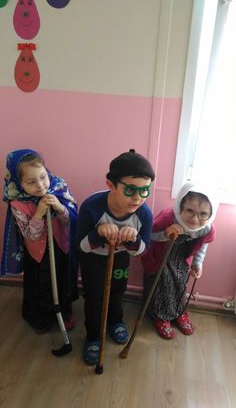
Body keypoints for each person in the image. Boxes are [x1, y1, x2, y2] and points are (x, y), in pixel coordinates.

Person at [77, 149, 155, 365]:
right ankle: (93, 335)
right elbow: (81, 246)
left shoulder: (144, 214)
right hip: (92, 259)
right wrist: (98, 233)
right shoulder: (92, 207)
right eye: (130, 190)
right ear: (111, 185)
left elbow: (142, 251)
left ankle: (115, 321)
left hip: (121, 259)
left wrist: (132, 240)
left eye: (144, 190)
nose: (138, 198)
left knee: (118, 292)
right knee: (94, 296)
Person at [1, 149, 78, 333]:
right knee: (40, 285)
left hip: (60, 248)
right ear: (19, 183)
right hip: (37, 254)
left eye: (43, 177)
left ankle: (63, 312)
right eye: (31, 182)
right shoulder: (17, 203)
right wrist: (39, 212)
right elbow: (30, 234)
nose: (41, 185)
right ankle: (40, 318)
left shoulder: (58, 188)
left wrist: (59, 207)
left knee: (61, 279)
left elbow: (71, 221)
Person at [141, 181, 218, 340]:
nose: (195, 218)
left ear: (211, 214)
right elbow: (147, 235)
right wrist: (167, 233)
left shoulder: (206, 228)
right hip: (159, 258)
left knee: (180, 283)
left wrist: (198, 263)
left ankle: (178, 311)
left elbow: (202, 245)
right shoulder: (168, 218)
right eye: (189, 211)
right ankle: (160, 316)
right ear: (180, 206)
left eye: (203, 214)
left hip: (181, 259)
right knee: (161, 283)